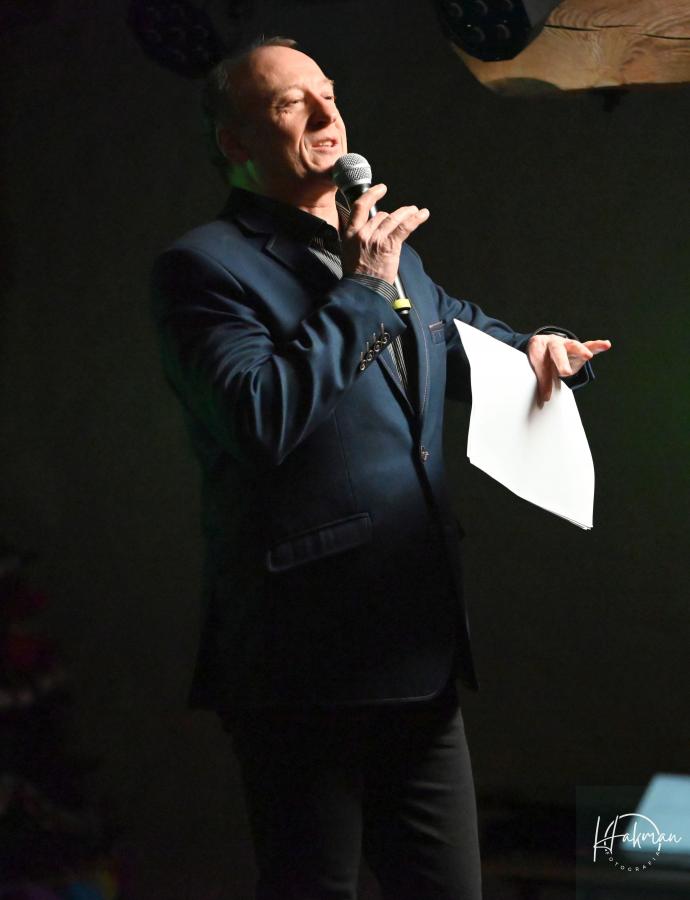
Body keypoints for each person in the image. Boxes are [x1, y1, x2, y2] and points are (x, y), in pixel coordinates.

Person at [151, 36, 610, 900]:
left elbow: (457, 337)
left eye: (329, 93)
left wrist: (542, 348)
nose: (327, 115)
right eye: (292, 103)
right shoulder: (203, 269)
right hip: (301, 665)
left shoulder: (383, 251)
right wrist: (362, 289)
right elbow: (259, 418)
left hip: (417, 647)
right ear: (235, 141)